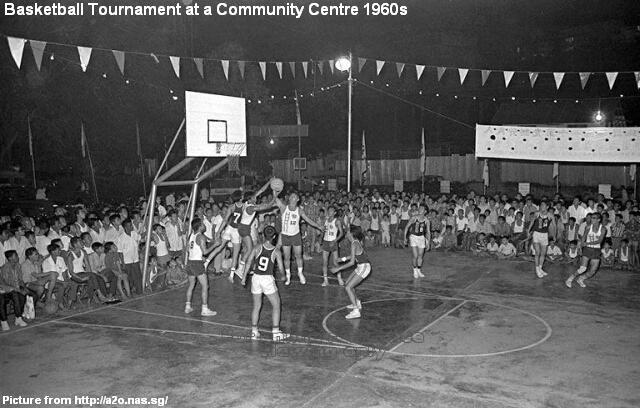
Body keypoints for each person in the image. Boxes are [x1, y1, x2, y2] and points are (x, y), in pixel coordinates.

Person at [245, 226, 290, 341]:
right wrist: (284, 276)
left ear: (263, 236)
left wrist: (244, 276)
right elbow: (280, 267)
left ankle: (254, 332)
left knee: (256, 306)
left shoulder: (257, 247)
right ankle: (276, 332)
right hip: (267, 279)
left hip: (256, 278)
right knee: (276, 305)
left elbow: (249, 261)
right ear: (274, 236)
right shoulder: (276, 251)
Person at [274, 192, 323, 285]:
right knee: (287, 257)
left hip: (296, 235)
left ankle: (300, 273)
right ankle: (288, 276)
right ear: (289, 199)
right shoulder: (284, 207)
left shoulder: (299, 210)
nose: (292, 197)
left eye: (294, 196)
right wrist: (274, 190)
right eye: (291, 196)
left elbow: (308, 220)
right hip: (285, 235)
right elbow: (276, 199)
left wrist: (318, 226)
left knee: (299, 256)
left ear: (297, 199)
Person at [330, 226, 372, 319]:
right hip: (361, 266)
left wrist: (338, 269)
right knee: (348, 284)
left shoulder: (354, 244)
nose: (346, 233)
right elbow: (353, 255)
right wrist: (343, 259)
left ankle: (356, 311)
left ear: (351, 234)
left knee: (348, 287)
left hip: (364, 267)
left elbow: (352, 262)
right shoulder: (355, 242)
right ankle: (357, 303)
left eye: (348, 231)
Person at [184, 218, 222, 316]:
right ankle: (204, 309)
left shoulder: (191, 235)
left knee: (191, 285)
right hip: (197, 264)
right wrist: (215, 245)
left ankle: (187, 307)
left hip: (190, 262)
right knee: (205, 286)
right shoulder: (201, 237)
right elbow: (205, 252)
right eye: (203, 224)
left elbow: (189, 250)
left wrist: (200, 256)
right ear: (200, 226)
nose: (204, 225)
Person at [566, 212, 606, 288]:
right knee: (583, 268)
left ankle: (581, 279)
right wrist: (580, 246)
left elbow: (599, 241)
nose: (592, 219)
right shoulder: (588, 227)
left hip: (596, 250)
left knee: (593, 271)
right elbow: (584, 237)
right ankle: (570, 279)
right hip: (588, 249)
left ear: (599, 219)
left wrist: (586, 243)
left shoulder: (603, 229)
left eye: (594, 218)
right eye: (591, 218)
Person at [0, 250, 29, 330]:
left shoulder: (18, 266)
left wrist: (24, 288)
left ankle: (18, 317)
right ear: (10, 258)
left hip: (14, 288)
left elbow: (20, 279)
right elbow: (6, 284)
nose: (18, 257)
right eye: (15, 256)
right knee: (13, 295)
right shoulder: (5, 268)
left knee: (23, 296)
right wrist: (18, 289)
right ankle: (4, 321)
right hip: (5, 289)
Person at [404, 203, 430, 278]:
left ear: (425, 211)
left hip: (421, 237)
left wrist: (428, 242)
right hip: (413, 237)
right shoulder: (414, 218)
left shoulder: (426, 220)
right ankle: (414, 270)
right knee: (415, 255)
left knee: (420, 256)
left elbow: (428, 232)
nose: (420, 209)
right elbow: (406, 227)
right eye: (420, 208)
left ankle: (419, 270)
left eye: (422, 209)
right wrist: (405, 238)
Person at [321, 206, 344, 287]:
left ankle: (339, 278)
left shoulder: (337, 221)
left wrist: (335, 241)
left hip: (333, 242)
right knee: (324, 262)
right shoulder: (326, 220)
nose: (329, 212)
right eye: (329, 210)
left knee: (335, 262)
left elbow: (341, 233)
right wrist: (321, 235)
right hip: (325, 242)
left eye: (331, 210)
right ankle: (325, 280)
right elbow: (324, 230)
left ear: (334, 213)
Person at [528, 201, 552, 278]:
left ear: (547, 207)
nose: (542, 206)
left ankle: (540, 268)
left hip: (545, 234)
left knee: (543, 253)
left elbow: (553, 226)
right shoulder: (537, 213)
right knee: (537, 252)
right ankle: (537, 269)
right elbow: (532, 222)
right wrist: (528, 231)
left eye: (543, 205)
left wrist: (554, 235)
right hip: (536, 233)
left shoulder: (550, 215)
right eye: (541, 205)